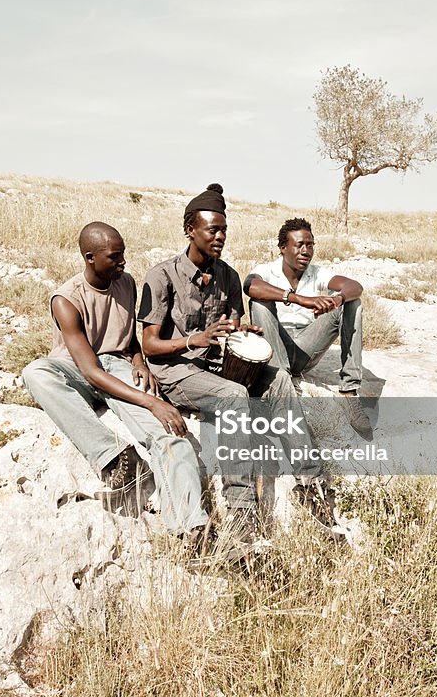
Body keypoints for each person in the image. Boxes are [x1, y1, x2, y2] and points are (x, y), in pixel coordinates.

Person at [138, 184, 341, 537]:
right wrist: (193, 340)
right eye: (212, 230)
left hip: (217, 367)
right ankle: (242, 509)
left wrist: (241, 332)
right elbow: (150, 346)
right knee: (234, 395)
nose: (220, 237)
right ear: (190, 230)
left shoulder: (228, 276)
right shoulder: (162, 276)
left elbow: (229, 333)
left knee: (277, 380)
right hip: (175, 371)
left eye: (224, 230)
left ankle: (311, 482)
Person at [23, 222, 209, 540]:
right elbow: (91, 371)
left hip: (120, 366)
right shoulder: (65, 299)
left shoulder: (126, 283)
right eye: (114, 257)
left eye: (123, 255)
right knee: (36, 372)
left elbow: (128, 337)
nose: (122, 263)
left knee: (171, 436)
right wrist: (152, 402)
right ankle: (115, 458)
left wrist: (139, 362)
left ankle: (191, 529)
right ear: (90, 257)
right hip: (78, 368)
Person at [244, 217, 372, 437]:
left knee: (353, 302)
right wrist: (299, 299)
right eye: (299, 245)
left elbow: (355, 286)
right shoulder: (267, 270)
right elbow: (250, 286)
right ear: (283, 248)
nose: (306, 251)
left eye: (310, 245)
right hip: (275, 348)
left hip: (305, 347)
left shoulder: (317, 272)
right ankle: (281, 385)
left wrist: (338, 299)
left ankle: (349, 391)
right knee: (259, 302)